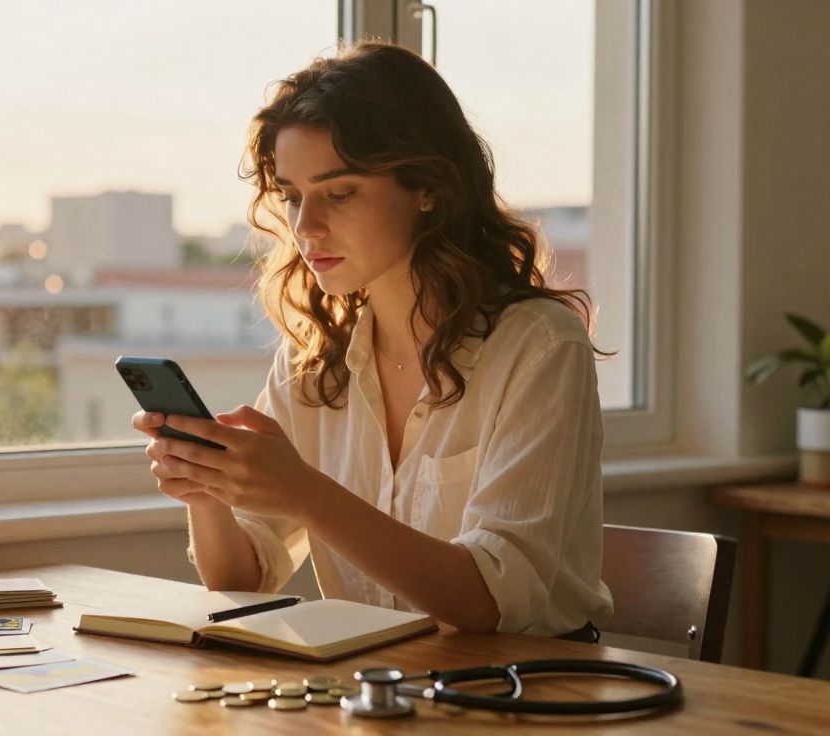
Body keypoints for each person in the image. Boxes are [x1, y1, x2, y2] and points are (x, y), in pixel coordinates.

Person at [132, 40, 612, 639]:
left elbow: (490, 603)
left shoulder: (539, 347)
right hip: (381, 695)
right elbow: (244, 580)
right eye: (293, 196)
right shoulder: (315, 363)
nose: (306, 227)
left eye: (340, 193)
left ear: (427, 188)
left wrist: (306, 493)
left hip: (528, 696)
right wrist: (206, 492)